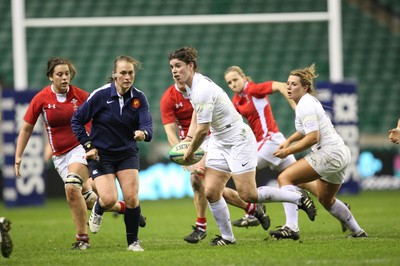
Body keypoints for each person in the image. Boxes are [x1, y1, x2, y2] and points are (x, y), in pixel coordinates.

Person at [169, 46, 317, 246]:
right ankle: (228, 238)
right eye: (172, 67)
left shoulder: (202, 89)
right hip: (220, 141)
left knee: (249, 194)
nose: (174, 70)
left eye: (178, 66)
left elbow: (203, 130)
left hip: (238, 139)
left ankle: (297, 197)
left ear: (191, 66)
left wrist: (190, 151)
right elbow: (197, 112)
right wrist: (188, 137)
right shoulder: (191, 87)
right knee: (211, 191)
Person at [224, 66, 350, 236]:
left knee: (241, 171)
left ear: (243, 78)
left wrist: (296, 107)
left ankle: (254, 210)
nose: (233, 84)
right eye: (229, 82)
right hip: (272, 142)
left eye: (235, 80)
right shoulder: (236, 100)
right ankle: (339, 209)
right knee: (299, 182)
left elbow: (280, 86)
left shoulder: (253, 89)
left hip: (270, 141)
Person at [14, 57, 125, 250]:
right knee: (89, 199)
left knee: (72, 185)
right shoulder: (41, 99)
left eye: (67, 74)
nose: (65, 78)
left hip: (82, 147)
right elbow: (26, 129)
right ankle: (126, 209)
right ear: (51, 77)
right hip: (60, 156)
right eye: (59, 74)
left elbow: (103, 110)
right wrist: (18, 157)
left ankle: (82, 239)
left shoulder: (80, 95)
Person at [160, 78, 270, 243]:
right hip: (189, 144)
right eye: (174, 73)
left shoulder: (199, 90)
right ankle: (253, 208)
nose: (178, 76)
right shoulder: (169, 97)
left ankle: (201, 227)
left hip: (212, 138)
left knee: (199, 180)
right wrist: (181, 153)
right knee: (209, 188)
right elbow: (169, 131)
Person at [272, 64, 367, 239]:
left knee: (285, 178)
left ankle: (291, 227)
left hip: (329, 152)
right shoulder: (305, 103)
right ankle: (358, 231)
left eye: (294, 84)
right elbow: (304, 131)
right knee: (326, 199)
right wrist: (289, 140)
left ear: (305, 87)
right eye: (287, 83)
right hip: (340, 152)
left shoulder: (305, 104)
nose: (288, 87)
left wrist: (288, 151)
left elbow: (313, 138)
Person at [71, 55, 153, 252]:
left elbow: (147, 125)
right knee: (108, 199)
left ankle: (133, 242)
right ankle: (99, 208)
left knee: (132, 198)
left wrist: (144, 133)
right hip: (103, 156)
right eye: (123, 73)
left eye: (130, 73)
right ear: (114, 74)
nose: (127, 77)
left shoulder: (139, 97)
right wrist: (89, 146)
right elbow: (77, 120)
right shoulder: (100, 95)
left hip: (127, 153)